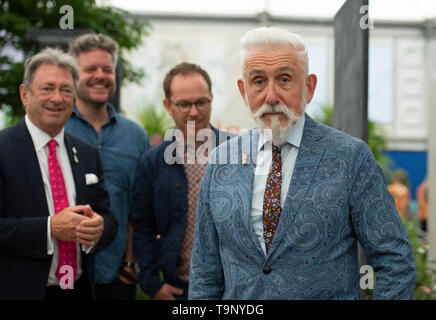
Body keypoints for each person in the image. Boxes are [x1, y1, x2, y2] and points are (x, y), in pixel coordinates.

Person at [189, 27, 416, 300]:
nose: (271, 96)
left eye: (284, 79)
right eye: (258, 81)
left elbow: (396, 261)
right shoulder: (220, 162)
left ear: (308, 87)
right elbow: (205, 272)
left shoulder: (350, 158)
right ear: (243, 90)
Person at [0, 48, 118, 300]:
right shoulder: (3, 150)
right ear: (25, 94)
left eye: (66, 90)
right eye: (47, 88)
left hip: (79, 290)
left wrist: (99, 229)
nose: (57, 98)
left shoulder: (87, 153)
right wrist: (50, 228)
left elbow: (108, 217)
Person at [132, 62, 234, 300]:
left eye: (201, 102)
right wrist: (151, 283)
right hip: (178, 287)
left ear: (211, 99)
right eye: (184, 104)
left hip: (231, 288)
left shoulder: (238, 153)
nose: (194, 112)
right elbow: (142, 226)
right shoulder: (153, 162)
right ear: (168, 105)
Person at [66, 33, 149, 300]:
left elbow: (140, 206)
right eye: (90, 69)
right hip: (67, 274)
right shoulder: (58, 128)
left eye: (107, 69)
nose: (100, 75)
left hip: (118, 275)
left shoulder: (135, 135)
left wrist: (130, 262)